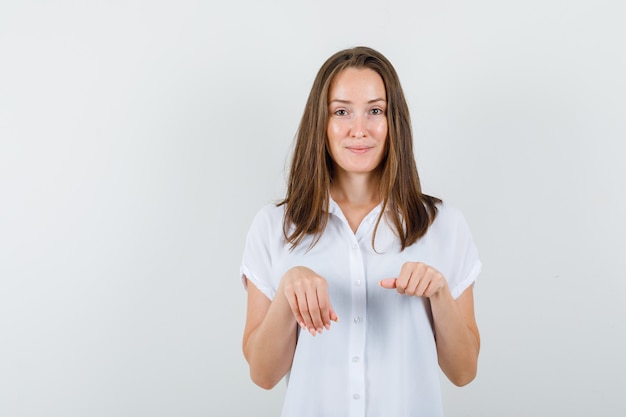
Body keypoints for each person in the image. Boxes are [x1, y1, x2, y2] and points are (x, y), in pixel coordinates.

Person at [240, 46, 481, 417]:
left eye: (375, 110)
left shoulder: (443, 224)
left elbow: (464, 372)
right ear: (320, 123)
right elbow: (263, 374)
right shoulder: (274, 226)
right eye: (341, 111)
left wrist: (438, 293)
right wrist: (288, 289)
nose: (359, 129)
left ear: (393, 120)